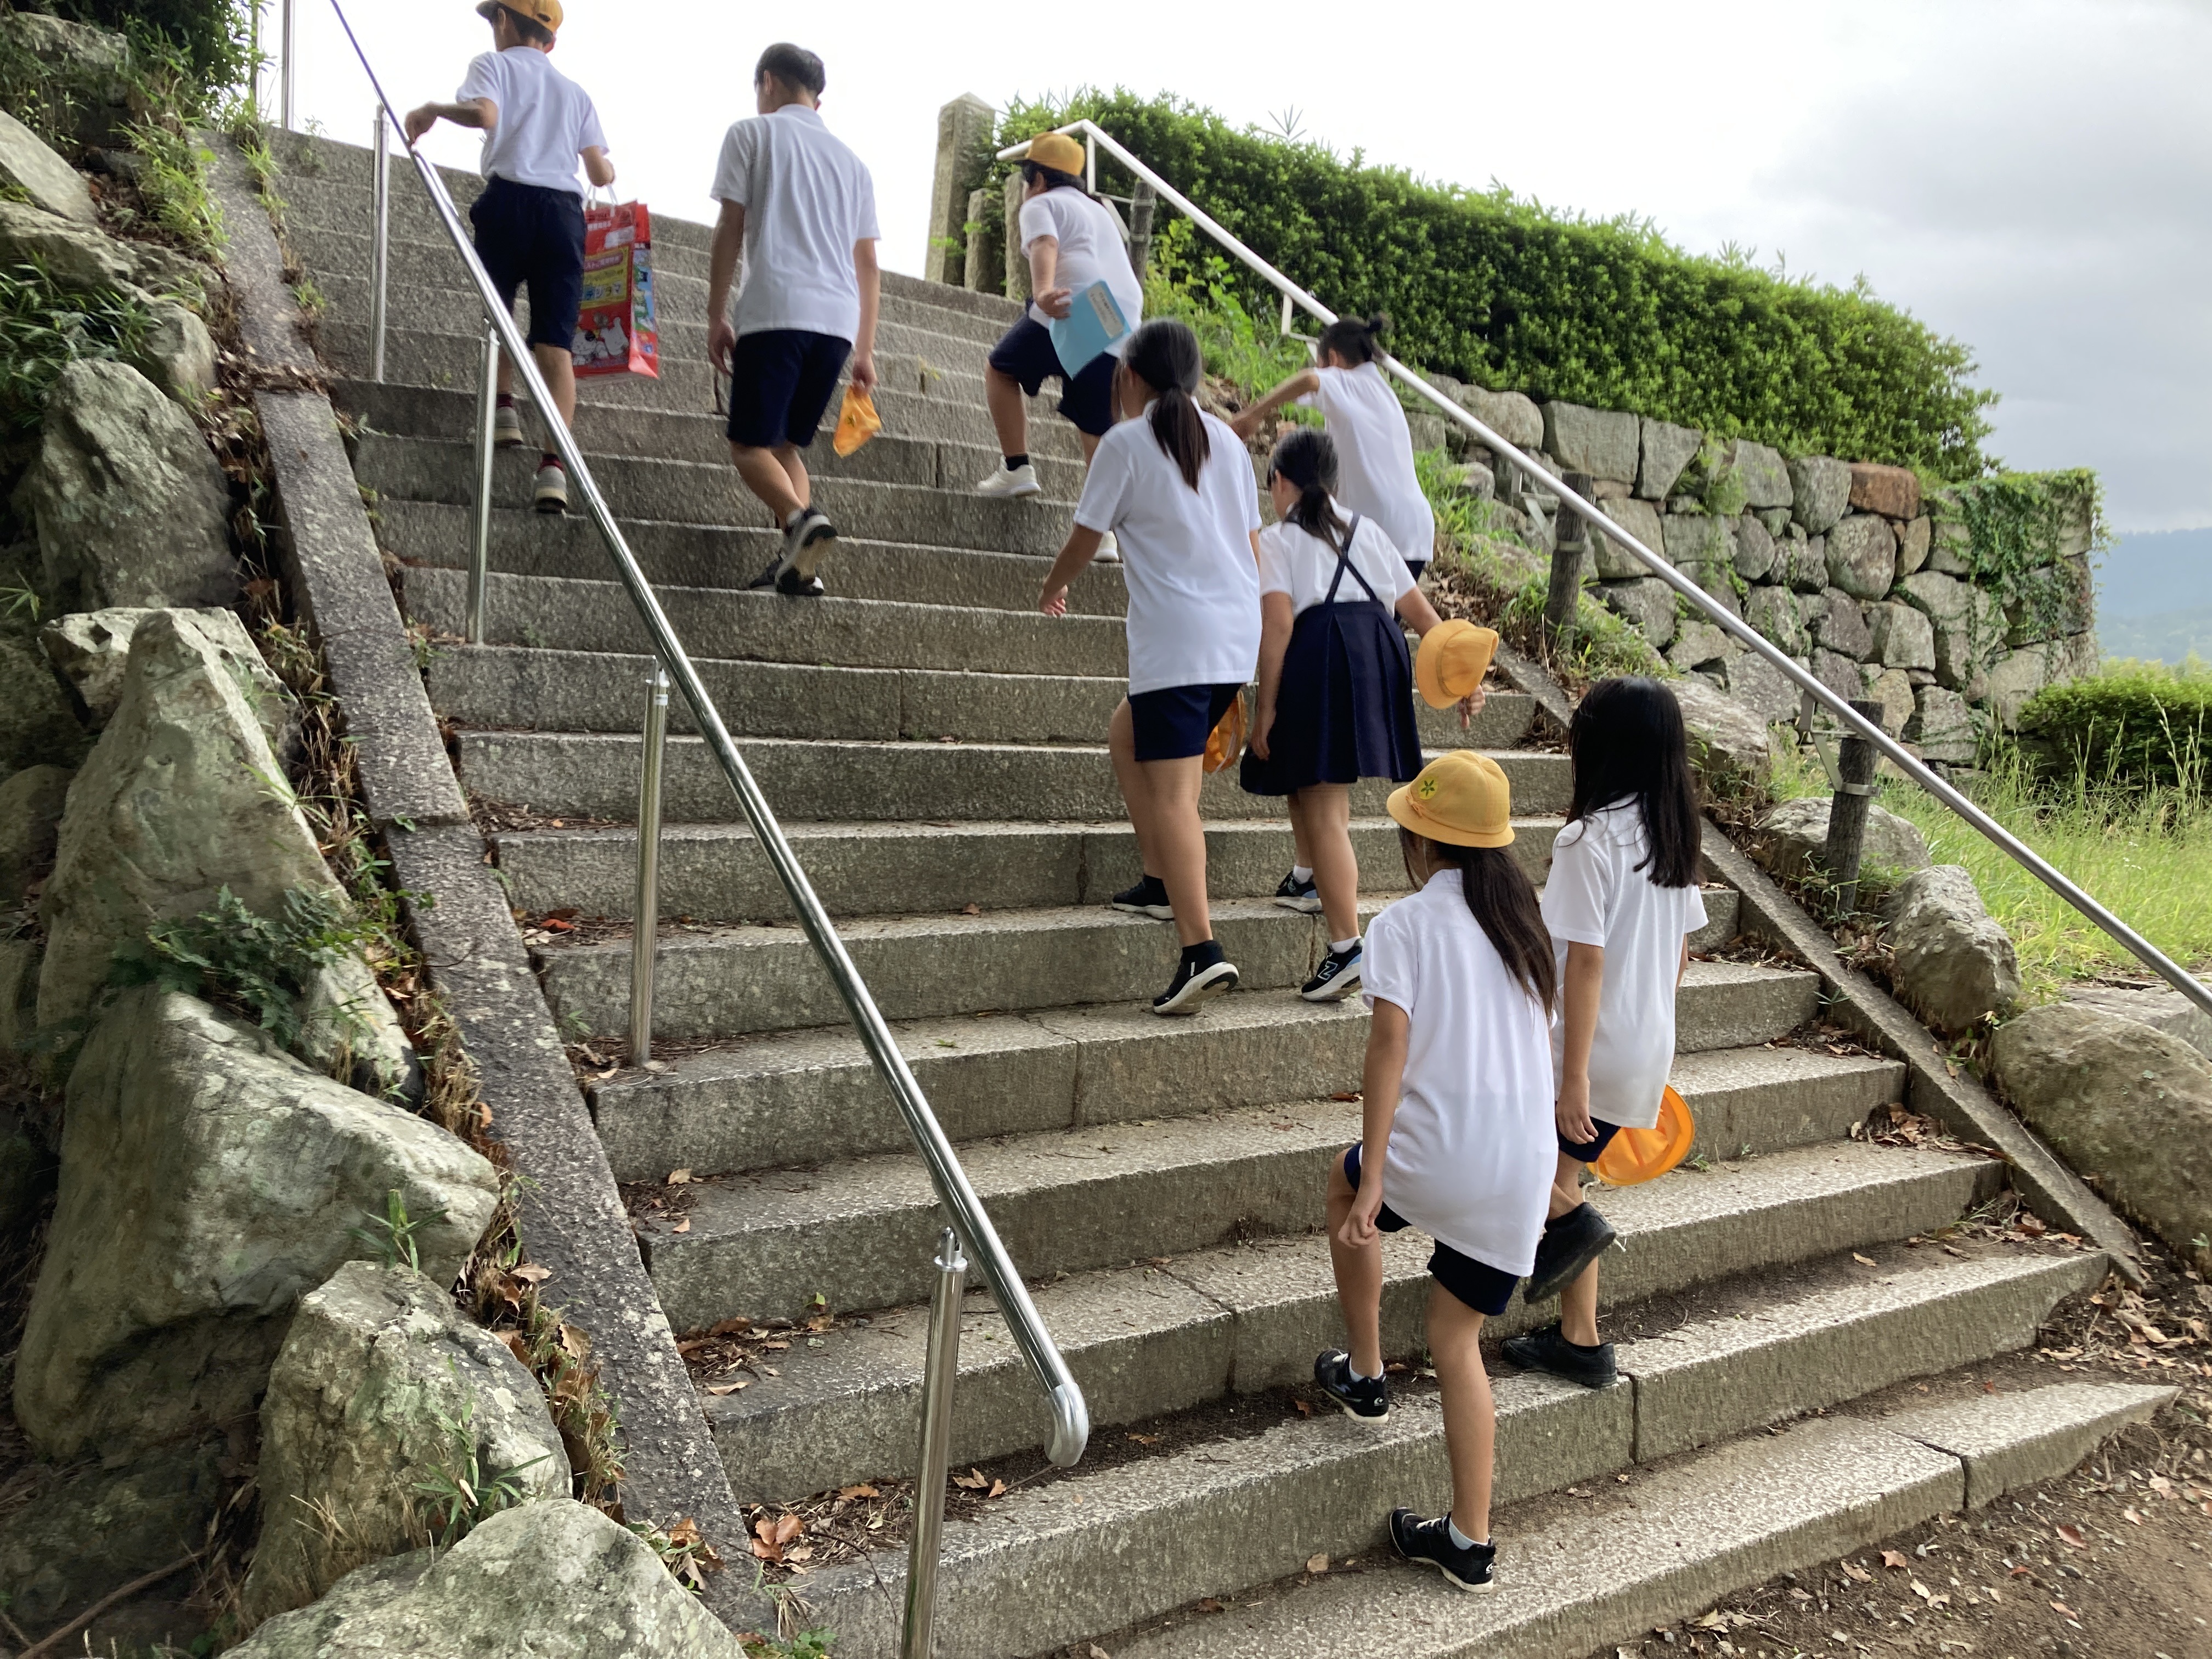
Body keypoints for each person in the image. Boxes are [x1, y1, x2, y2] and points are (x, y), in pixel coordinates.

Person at [1314, 748, 1558, 1594]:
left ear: (1421, 841)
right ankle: (1469, 1539)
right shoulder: (1524, 925)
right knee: (1457, 1342)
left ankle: (1366, 1373)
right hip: (1520, 1168)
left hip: (1440, 1154)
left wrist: (1376, 1171)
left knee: (1344, 1185)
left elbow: (1389, 1046)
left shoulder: (1405, 925)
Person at [1037, 319, 1261, 1016]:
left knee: (1174, 797)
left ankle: (1201, 950)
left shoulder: (1126, 442)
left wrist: (1053, 585)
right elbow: (1253, 545)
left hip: (1178, 644)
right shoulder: (1228, 441)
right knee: (1125, 734)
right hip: (1233, 636)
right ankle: (1161, 882)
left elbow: (1085, 538)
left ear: (1129, 375)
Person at [1506, 676, 1707, 1390]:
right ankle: (1580, 1341)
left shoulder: (1587, 840)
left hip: (1587, 1053)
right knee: (1559, 1178)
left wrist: (1574, 1079)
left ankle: (1578, 1281)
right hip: (1642, 1047)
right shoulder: (1670, 837)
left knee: (1531, 1172)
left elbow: (1584, 962)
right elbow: (1680, 955)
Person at [1241, 427, 1488, 1002]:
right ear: (1333, 483)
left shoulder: (1277, 540)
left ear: (1280, 482)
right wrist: (1465, 679)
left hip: (1320, 653)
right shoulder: (1368, 530)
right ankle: (1307, 877)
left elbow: (1278, 626)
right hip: (1377, 650)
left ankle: (1347, 947)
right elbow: (1423, 617)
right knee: (1309, 775)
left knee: (1325, 801)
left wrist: (1264, 707)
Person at [408, 0, 614, 516]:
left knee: (498, 316)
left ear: (502, 20)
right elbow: (600, 173)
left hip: (508, 204)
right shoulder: (575, 93)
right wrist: (605, 167)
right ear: (551, 41)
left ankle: (504, 411)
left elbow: (484, 116)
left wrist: (433, 109)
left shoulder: (492, 65)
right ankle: (554, 470)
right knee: (555, 345)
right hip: (563, 216)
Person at [706, 43, 881, 597]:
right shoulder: (853, 165)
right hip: (837, 326)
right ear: (817, 100)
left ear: (768, 82)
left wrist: (716, 315)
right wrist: (865, 350)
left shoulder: (751, 134)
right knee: (785, 448)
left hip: (776, 311)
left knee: (747, 446)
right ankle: (800, 567)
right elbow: (868, 264)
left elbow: (730, 227)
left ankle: (801, 520)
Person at [974, 131, 1144, 510]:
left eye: (1025, 182)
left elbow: (1045, 243)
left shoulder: (1041, 203)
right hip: (1122, 319)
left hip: (1075, 305)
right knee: (1096, 426)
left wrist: (1042, 291)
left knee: (1000, 370)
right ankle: (1106, 526)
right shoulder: (1098, 211)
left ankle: (1017, 468)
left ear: (1037, 179)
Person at [1228, 313, 1437, 578]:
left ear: (1334, 359)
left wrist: (1253, 414)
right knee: (1383, 606)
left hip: (1380, 526)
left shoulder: (1346, 380)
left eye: (1320, 363)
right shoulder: (1381, 393)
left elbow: (1309, 381)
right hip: (1414, 528)